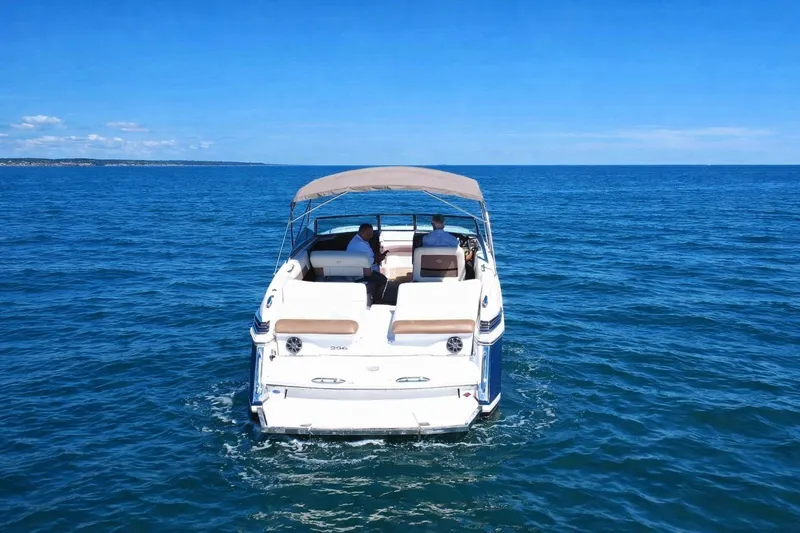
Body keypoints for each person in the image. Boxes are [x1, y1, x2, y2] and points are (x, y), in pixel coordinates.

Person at [347, 223, 388, 303]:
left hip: (360, 268)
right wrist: (381, 257)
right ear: (363, 232)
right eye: (369, 234)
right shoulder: (359, 244)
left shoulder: (358, 240)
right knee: (383, 280)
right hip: (360, 273)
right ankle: (377, 301)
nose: (371, 236)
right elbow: (372, 261)